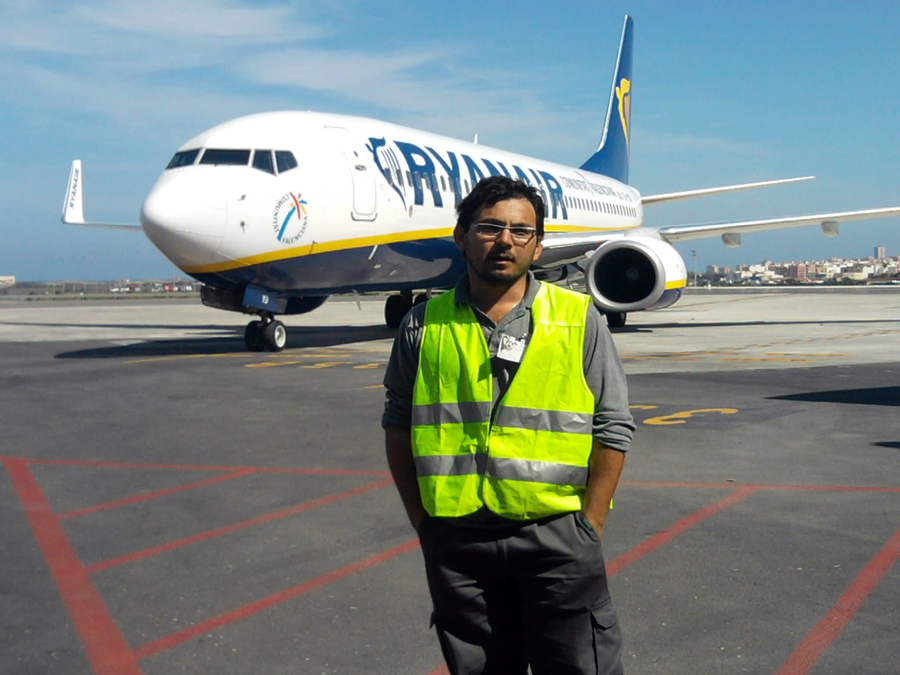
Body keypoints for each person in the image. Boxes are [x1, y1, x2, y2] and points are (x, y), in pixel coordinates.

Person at [382, 175, 635, 675]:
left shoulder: (578, 318)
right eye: (490, 227)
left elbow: (613, 426)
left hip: (557, 538)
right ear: (460, 235)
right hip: (459, 545)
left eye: (521, 231)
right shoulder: (421, 324)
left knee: (580, 668)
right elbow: (397, 427)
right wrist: (424, 523)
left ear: (538, 244)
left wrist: (590, 524)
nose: (505, 241)